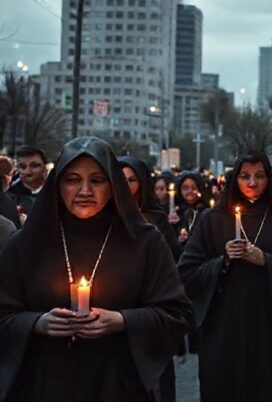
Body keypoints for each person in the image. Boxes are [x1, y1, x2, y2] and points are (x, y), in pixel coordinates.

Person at [0, 136, 192, 402]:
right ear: (57, 185)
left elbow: (177, 314)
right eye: (73, 180)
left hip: (119, 386)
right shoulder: (27, 243)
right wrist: (36, 323)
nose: (85, 190)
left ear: (113, 186)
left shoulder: (144, 241)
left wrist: (122, 321)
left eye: (97, 180)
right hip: (45, 384)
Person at [178, 152, 272, 402]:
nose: (251, 183)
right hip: (224, 327)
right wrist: (222, 261)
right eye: (245, 176)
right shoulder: (213, 219)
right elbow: (187, 273)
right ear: (234, 179)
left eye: (259, 176)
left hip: (270, 327)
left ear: (269, 179)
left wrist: (267, 261)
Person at [119, 157, 182, 260]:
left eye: (131, 180)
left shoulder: (156, 217)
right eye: (122, 180)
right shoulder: (110, 214)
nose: (125, 185)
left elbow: (172, 255)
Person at [8, 146, 48, 215]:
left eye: (34, 166)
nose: (28, 171)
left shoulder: (57, 193)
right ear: (17, 169)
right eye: (23, 166)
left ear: (45, 168)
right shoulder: (8, 197)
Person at [173, 172, 208, 246]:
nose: (190, 191)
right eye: (185, 188)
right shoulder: (175, 213)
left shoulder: (206, 213)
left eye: (194, 188)